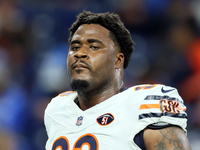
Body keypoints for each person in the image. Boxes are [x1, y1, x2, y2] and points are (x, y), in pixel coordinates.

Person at [44, 11, 191, 150]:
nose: (80, 53)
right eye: (75, 47)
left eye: (94, 47)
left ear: (118, 60)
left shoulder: (145, 104)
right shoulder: (57, 109)